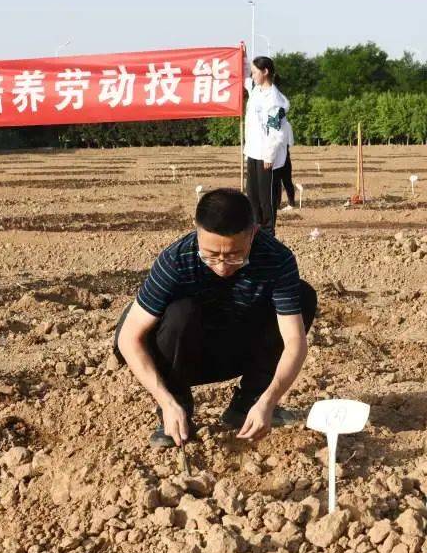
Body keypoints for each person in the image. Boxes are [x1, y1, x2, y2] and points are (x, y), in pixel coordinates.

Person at [114, 188, 316, 446]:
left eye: (234, 255)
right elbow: (129, 337)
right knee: (179, 313)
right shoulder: (177, 259)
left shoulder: (277, 259)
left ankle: (247, 405)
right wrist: (165, 401)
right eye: (210, 255)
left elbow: (294, 342)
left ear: (253, 232)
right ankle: (177, 414)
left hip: (238, 348)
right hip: (184, 356)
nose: (221, 266)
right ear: (197, 231)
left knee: (303, 295)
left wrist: (268, 399)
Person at [244, 56, 290, 234]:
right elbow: (245, 79)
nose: (252, 75)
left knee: (266, 198)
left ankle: (268, 233)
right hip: (253, 152)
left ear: (265, 72)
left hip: (267, 156)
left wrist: (269, 155)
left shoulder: (275, 100)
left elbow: (277, 132)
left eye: (255, 72)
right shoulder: (256, 91)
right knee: (253, 196)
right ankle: (255, 231)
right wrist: (243, 55)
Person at [276, 112, 296, 211]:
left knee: (279, 181)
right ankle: (290, 203)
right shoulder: (287, 125)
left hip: (277, 155)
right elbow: (291, 142)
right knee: (286, 181)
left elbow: (290, 142)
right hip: (283, 154)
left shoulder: (283, 124)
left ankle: (278, 204)